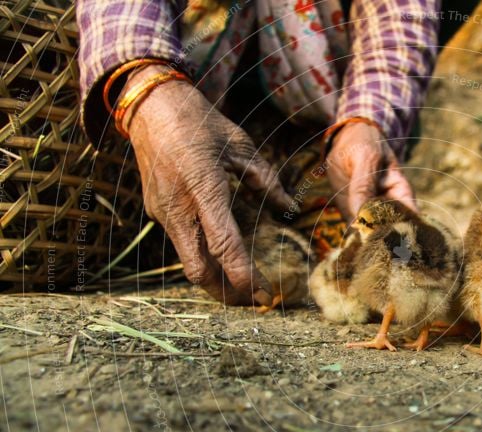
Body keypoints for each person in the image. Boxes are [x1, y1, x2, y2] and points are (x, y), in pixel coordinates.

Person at [75, 0, 441, 307]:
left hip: (319, 112)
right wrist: (146, 90)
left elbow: (401, 19)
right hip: (181, 92)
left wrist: (366, 120)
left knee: (351, 261)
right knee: (183, 228)